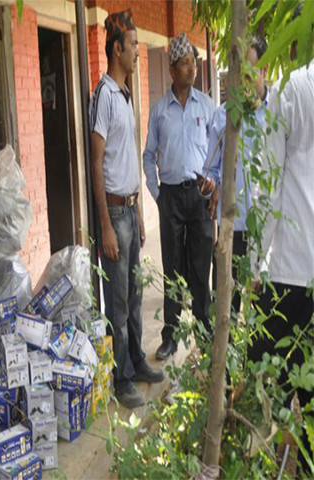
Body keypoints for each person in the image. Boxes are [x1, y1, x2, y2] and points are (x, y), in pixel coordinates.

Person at [89, 9, 164, 409]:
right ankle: (120, 378)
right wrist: (107, 226)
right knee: (116, 303)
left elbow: (129, 156)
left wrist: (138, 212)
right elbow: (97, 162)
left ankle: (136, 361)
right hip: (113, 214)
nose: (137, 51)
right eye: (133, 45)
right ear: (117, 49)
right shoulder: (103, 95)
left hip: (130, 209)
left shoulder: (126, 94)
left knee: (134, 296)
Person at [248, 46, 314, 474]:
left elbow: (268, 184)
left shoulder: (296, 87)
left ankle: (270, 460)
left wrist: (253, 266)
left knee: (265, 376)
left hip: (290, 269)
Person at [143, 32, 216, 360]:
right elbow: (148, 155)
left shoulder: (207, 106)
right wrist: (157, 194)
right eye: (185, 64)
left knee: (202, 268)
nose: (192, 69)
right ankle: (170, 337)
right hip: (170, 198)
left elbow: (218, 150)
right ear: (172, 69)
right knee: (172, 268)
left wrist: (213, 184)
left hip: (200, 197)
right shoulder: (159, 111)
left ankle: (205, 331)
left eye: (194, 63)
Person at [201, 37, 268, 315]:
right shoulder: (222, 117)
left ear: (264, 70)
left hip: (265, 232)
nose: (245, 80)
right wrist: (209, 185)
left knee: (262, 313)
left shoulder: (276, 115)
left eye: (251, 72)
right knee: (226, 310)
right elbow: (211, 172)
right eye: (240, 73)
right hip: (230, 229)